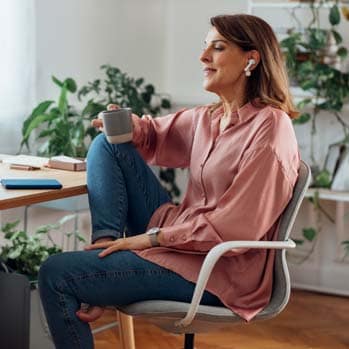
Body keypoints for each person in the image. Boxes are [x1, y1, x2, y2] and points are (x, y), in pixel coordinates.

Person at [38, 13, 300, 348]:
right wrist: (131, 127)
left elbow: (236, 230)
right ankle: (103, 245)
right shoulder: (209, 118)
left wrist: (149, 239)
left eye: (217, 48)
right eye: (205, 48)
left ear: (251, 59)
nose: (203, 57)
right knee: (110, 141)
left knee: (56, 273)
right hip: (177, 241)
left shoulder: (271, 128)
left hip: (216, 270)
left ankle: (102, 264)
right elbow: (154, 135)